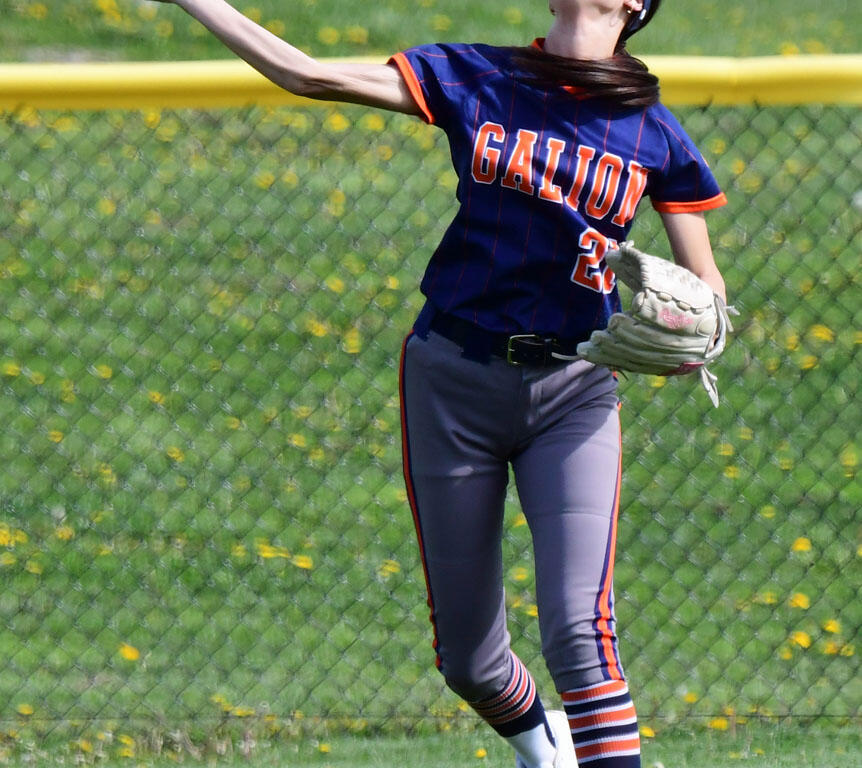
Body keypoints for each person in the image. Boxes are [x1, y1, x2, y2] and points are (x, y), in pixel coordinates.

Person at [149, 1, 729, 766]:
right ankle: (543, 749)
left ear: (632, 5)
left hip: (574, 391)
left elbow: (707, 285)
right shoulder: (480, 75)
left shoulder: (651, 129)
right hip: (453, 382)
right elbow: (307, 74)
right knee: (471, 663)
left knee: (578, 634)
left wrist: (700, 329)